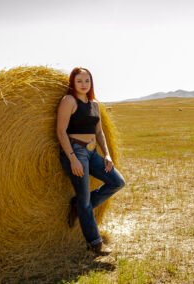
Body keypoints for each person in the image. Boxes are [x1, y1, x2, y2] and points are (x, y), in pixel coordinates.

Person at [56, 67, 126, 255]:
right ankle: (95, 244)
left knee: (118, 182)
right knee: (85, 199)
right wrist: (72, 159)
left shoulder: (94, 104)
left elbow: (99, 132)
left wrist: (107, 154)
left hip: (92, 152)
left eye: (87, 81)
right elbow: (61, 131)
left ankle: (79, 205)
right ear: (73, 82)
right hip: (76, 151)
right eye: (79, 81)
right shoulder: (69, 101)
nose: (84, 84)